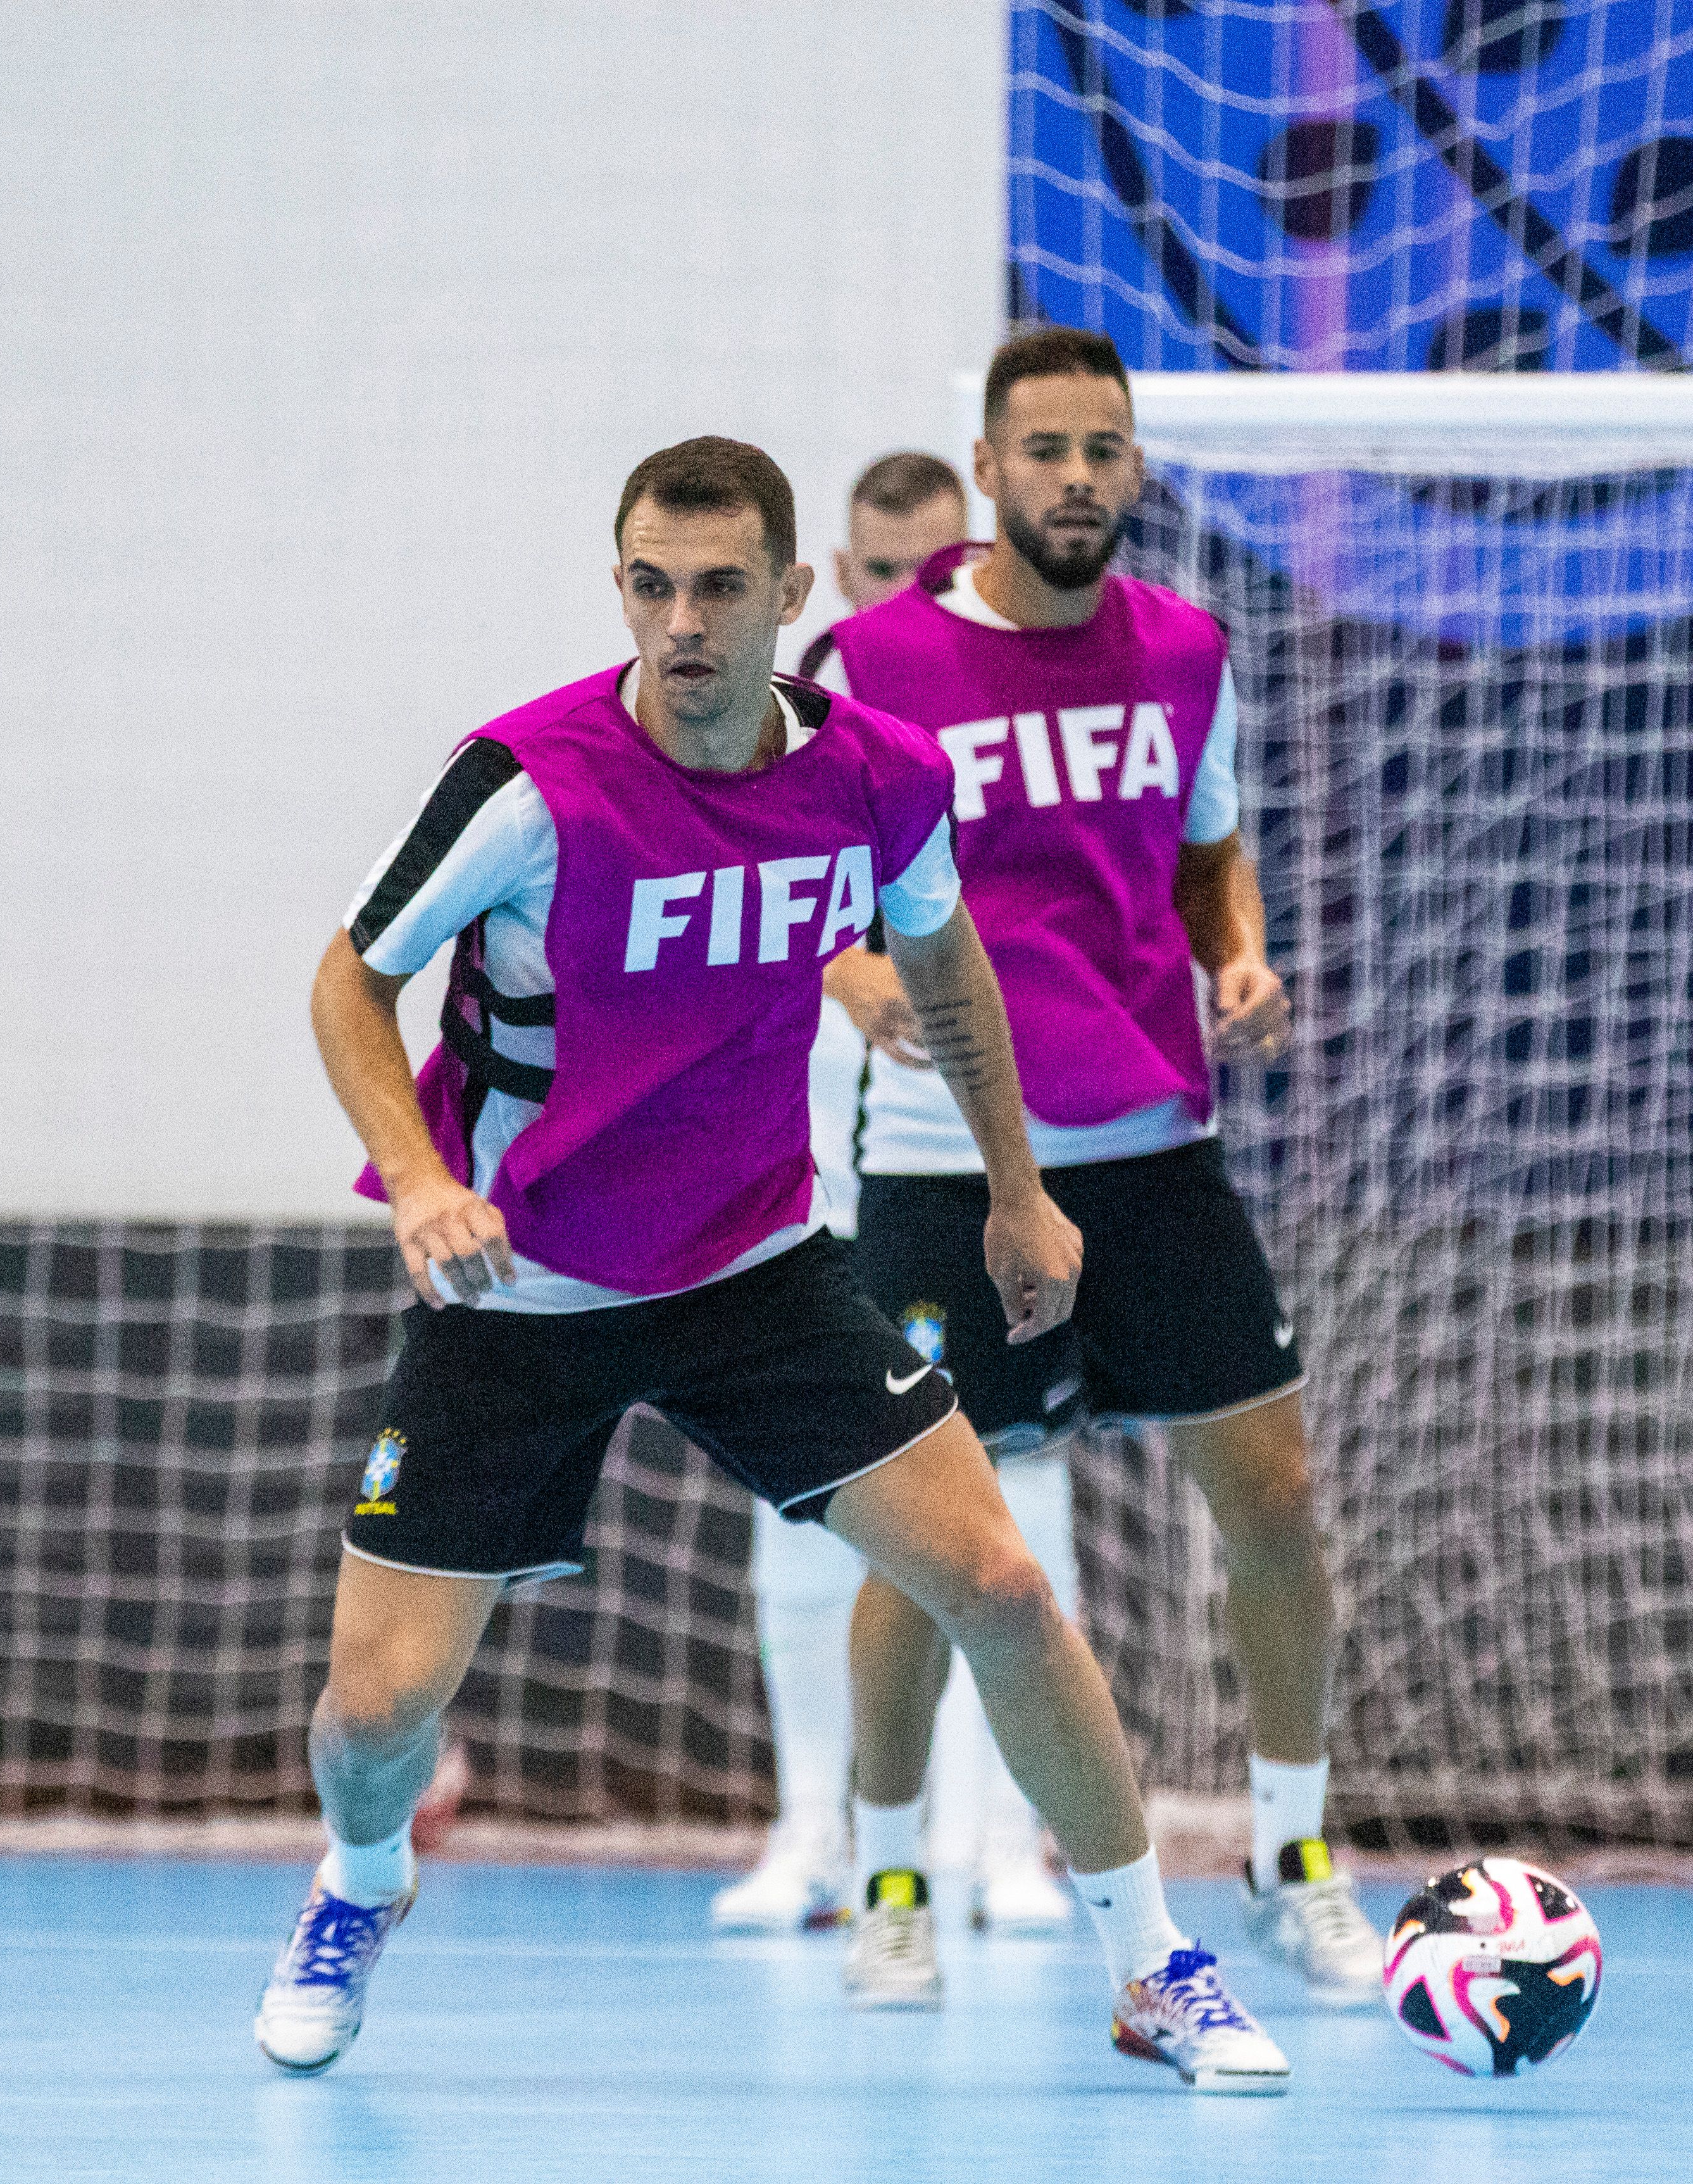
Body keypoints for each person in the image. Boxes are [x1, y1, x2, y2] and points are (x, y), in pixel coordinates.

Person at [256, 436, 1288, 2094]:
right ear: (620, 592)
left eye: (722, 587)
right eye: (651, 586)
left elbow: (945, 968)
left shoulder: (877, 774)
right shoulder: (527, 782)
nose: (684, 622)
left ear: (789, 597)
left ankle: (1155, 1962)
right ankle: (361, 1883)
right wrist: (423, 1178)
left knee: (1011, 1589)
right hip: (519, 1285)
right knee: (372, 1719)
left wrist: (1019, 1190)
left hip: (756, 1269)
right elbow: (347, 977)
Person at [808, 325, 1382, 2011]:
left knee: (1274, 1498)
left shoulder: (1190, 650)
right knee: (934, 1549)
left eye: (1103, 450)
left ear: (1136, 470)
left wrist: (1244, 957)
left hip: (1152, 1140)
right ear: (985, 471)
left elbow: (1213, 856)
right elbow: (796, 870)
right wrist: (848, 981)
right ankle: (893, 1874)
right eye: (1043, 449)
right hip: (943, 1163)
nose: (1075, 478)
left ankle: (1294, 1855)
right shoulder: (869, 666)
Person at [716, 450, 1080, 1943]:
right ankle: (818, 1830)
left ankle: (1006, 1840)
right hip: (811, 1163)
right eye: (873, 567)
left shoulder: (1016, 710)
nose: (900, 591)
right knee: (814, 1500)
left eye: (929, 563)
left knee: (1008, 1477)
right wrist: (842, 968)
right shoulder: (786, 735)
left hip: (983, 1142)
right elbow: (730, 891)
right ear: (835, 585)